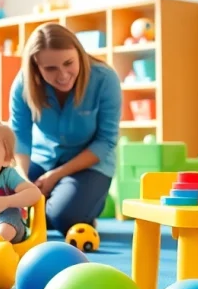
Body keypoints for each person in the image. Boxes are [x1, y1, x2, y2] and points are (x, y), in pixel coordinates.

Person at [9, 22, 122, 235]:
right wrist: (23, 180)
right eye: (50, 68)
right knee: (1, 197)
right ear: (36, 67)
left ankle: (85, 204)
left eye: (68, 63)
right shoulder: (24, 84)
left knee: (63, 216)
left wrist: (55, 176)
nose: (62, 75)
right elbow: (19, 136)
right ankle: (60, 203)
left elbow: (105, 141)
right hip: (41, 161)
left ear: (79, 53)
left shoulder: (105, 79)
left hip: (90, 165)